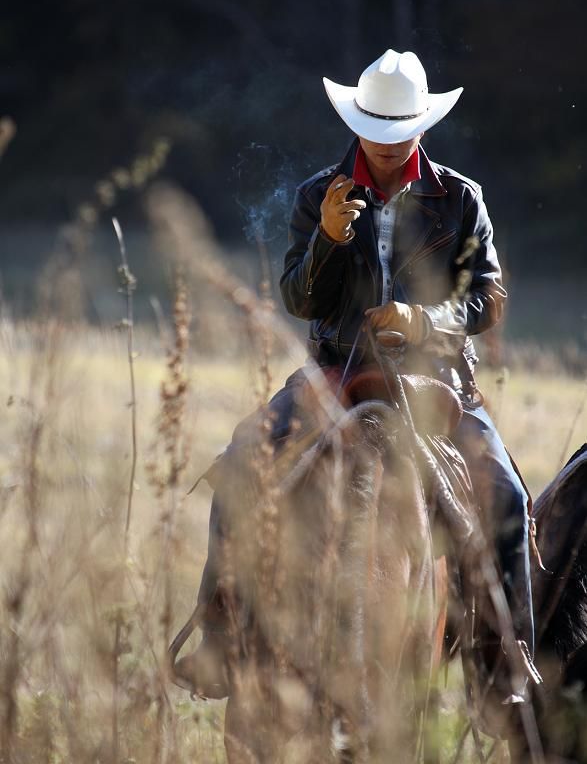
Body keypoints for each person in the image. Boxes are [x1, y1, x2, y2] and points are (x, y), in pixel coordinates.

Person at [174, 48, 534, 701]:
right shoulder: (318, 195)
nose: (387, 146)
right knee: (241, 461)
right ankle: (219, 643)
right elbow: (299, 301)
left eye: (399, 134)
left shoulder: (461, 198)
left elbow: (490, 299)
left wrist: (423, 321)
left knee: (507, 495)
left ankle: (501, 668)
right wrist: (328, 242)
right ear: (356, 122)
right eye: (376, 132)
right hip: (337, 370)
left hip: (439, 379)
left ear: (421, 126)